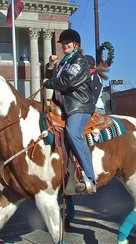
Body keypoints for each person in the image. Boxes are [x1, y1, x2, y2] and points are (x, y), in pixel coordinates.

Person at [44, 28, 97, 195]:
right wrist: (51, 66)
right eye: (63, 43)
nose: (64, 45)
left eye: (67, 43)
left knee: (73, 132)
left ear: (76, 44)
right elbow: (54, 79)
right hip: (64, 106)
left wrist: (49, 83)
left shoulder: (79, 60)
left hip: (79, 106)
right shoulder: (65, 62)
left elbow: (67, 81)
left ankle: (90, 177)